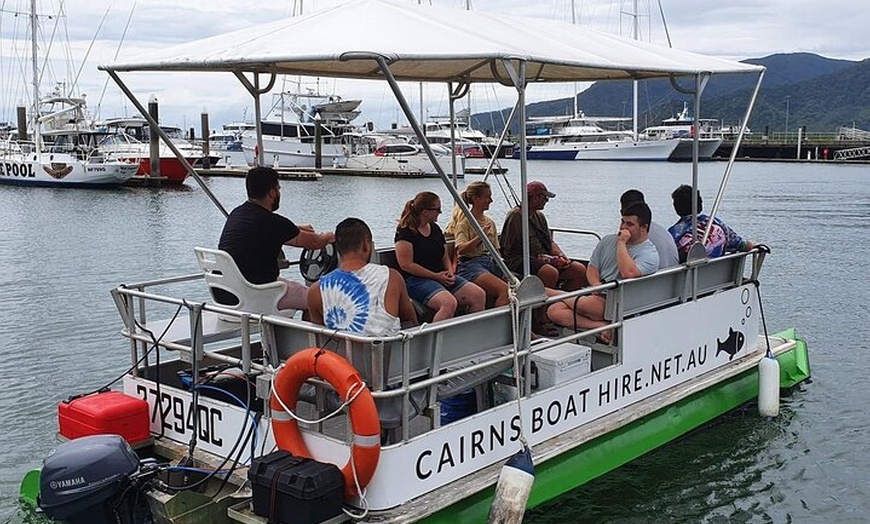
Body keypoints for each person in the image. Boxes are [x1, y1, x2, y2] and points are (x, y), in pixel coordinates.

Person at [218, 166, 334, 311]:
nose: (279, 192)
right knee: (315, 299)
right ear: (272, 192)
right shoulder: (272, 222)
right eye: (278, 189)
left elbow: (272, 231)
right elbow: (315, 242)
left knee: (294, 288)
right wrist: (331, 236)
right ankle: (314, 333)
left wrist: (296, 228)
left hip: (226, 294)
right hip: (253, 295)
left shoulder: (237, 214)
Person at [547, 202, 659, 342]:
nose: (623, 227)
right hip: (599, 291)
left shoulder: (649, 254)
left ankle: (551, 293)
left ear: (644, 227)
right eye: (622, 222)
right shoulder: (607, 241)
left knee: (589, 305)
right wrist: (595, 284)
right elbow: (593, 267)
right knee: (554, 311)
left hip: (620, 300)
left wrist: (621, 243)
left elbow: (628, 273)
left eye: (630, 224)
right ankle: (600, 326)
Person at [307, 217, 417, 335]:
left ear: (337, 249)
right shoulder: (391, 277)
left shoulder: (315, 290)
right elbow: (412, 322)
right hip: (387, 352)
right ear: (366, 244)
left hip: (337, 352)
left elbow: (319, 336)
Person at [395, 191, 485, 321]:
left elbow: (444, 256)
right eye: (437, 209)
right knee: (448, 303)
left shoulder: (435, 229)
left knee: (478, 294)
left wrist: (449, 271)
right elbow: (406, 265)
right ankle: (436, 338)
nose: (440, 212)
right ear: (425, 212)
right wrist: (435, 276)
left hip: (440, 275)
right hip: (416, 280)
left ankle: (472, 332)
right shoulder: (405, 232)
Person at [500, 181, 587, 290]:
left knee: (579, 269)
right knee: (550, 272)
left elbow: (549, 242)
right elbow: (507, 249)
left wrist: (560, 255)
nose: (547, 201)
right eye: (545, 198)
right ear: (536, 197)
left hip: (543, 257)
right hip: (519, 259)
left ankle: (565, 299)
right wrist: (539, 259)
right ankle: (543, 305)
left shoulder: (540, 216)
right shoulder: (515, 216)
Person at [446, 181, 509, 307]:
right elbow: (461, 249)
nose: (490, 200)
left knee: (516, 287)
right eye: (487, 197)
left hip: (491, 262)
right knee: (505, 291)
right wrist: (480, 237)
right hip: (470, 265)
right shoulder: (465, 223)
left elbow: (496, 249)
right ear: (476, 198)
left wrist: (504, 270)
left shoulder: (490, 222)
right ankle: (497, 325)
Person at [668, 184, 755, 262]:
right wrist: (752, 243)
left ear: (676, 207)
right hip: (720, 275)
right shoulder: (716, 223)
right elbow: (742, 245)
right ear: (700, 203)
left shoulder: (673, 233)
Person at [620, 189, 679, 268]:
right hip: (675, 275)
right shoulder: (662, 231)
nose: (624, 227)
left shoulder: (637, 237)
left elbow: (628, 271)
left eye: (630, 224)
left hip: (657, 277)